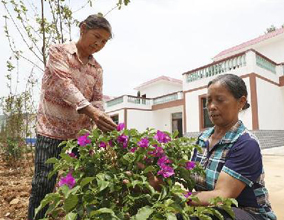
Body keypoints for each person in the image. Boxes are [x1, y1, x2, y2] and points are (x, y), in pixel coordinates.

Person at [28, 14, 117, 220]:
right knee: (43, 183)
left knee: (80, 185)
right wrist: (92, 112)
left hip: (80, 136)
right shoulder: (58, 52)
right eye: (96, 37)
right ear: (83, 28)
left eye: (104, 41)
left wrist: (101, 118)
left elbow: (96, 99)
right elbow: (64, 86)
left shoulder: (97, 69)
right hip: (51, 130)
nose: (99, 44)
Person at [177, 74, 276, 220]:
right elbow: (190, 179)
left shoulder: (246, 143)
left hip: (247, 213)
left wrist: (176, 198)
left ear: (241, 102)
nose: (211, 106)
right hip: (212, 209)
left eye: (220, 100)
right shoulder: (203, 138)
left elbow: (222, 195)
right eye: (209, 100)